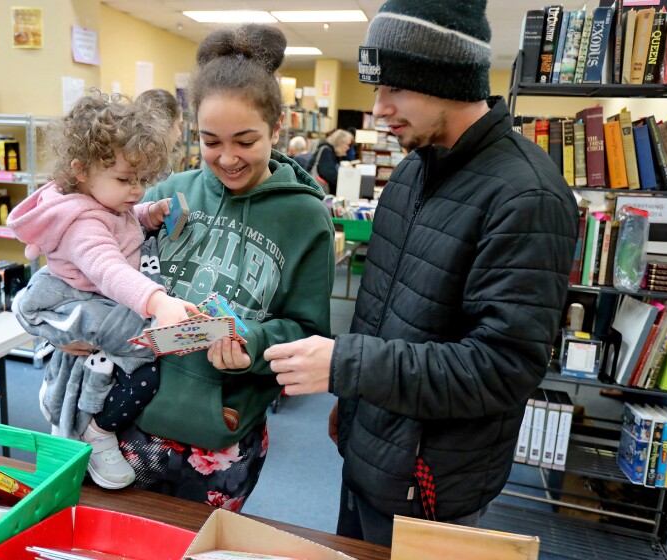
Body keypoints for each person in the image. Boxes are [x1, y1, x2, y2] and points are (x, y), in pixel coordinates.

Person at [263, 0, 578, 546]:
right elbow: (384, 305)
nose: (379, 109)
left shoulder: (527, 195)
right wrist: (353, 405)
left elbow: (502, 367)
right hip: (371, 449)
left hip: (431, 484)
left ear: (448, 79)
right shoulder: (413, 170)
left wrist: (348, 366)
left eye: (395, 89)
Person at [55, 24, 335, 510]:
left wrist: (249, 340)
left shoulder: (306, 218)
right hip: (123, 422)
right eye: (210, 141)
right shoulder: (162, 196)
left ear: (279, 126)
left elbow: (308, 330)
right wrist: (69, 327)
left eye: (245, 141)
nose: (226, 158)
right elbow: (94, 269)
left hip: (219, 436)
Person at [7, 91, 198, 490]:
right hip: (84, 301)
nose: (136, 191)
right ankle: (98, 432)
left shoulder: (105, 201)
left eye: (142, 181)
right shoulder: (82, 224)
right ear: (80, 171)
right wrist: (157, 300)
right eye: (126, 181)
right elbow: (109, 268)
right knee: (150, 353)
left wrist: (149, 212)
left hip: (94, 298)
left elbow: (124, 222)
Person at [136, 88, 185, 169]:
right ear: (165, 126)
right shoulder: (159, 173)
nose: (180, 133)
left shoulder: (129, 161)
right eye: (179, 125)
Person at [309, 128, 353, 194]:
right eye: (347, 144)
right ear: (340, 142)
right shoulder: (327, 151)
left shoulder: (329, 151)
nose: (348, 148)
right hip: (319, 194)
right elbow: (329, 174)